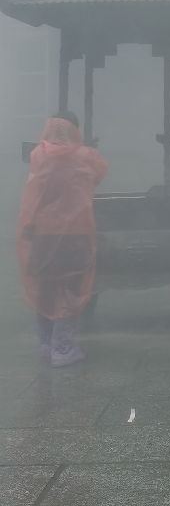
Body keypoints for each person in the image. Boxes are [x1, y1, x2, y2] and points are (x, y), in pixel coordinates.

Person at [17, 113, 108, 367]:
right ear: (75, 130)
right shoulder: (86, 156)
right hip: (74, 234)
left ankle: (46, 344)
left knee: (44, 286)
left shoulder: (38, 155)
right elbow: (99, 173)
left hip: (42, 233)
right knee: (70, 288)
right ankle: (63, 348)